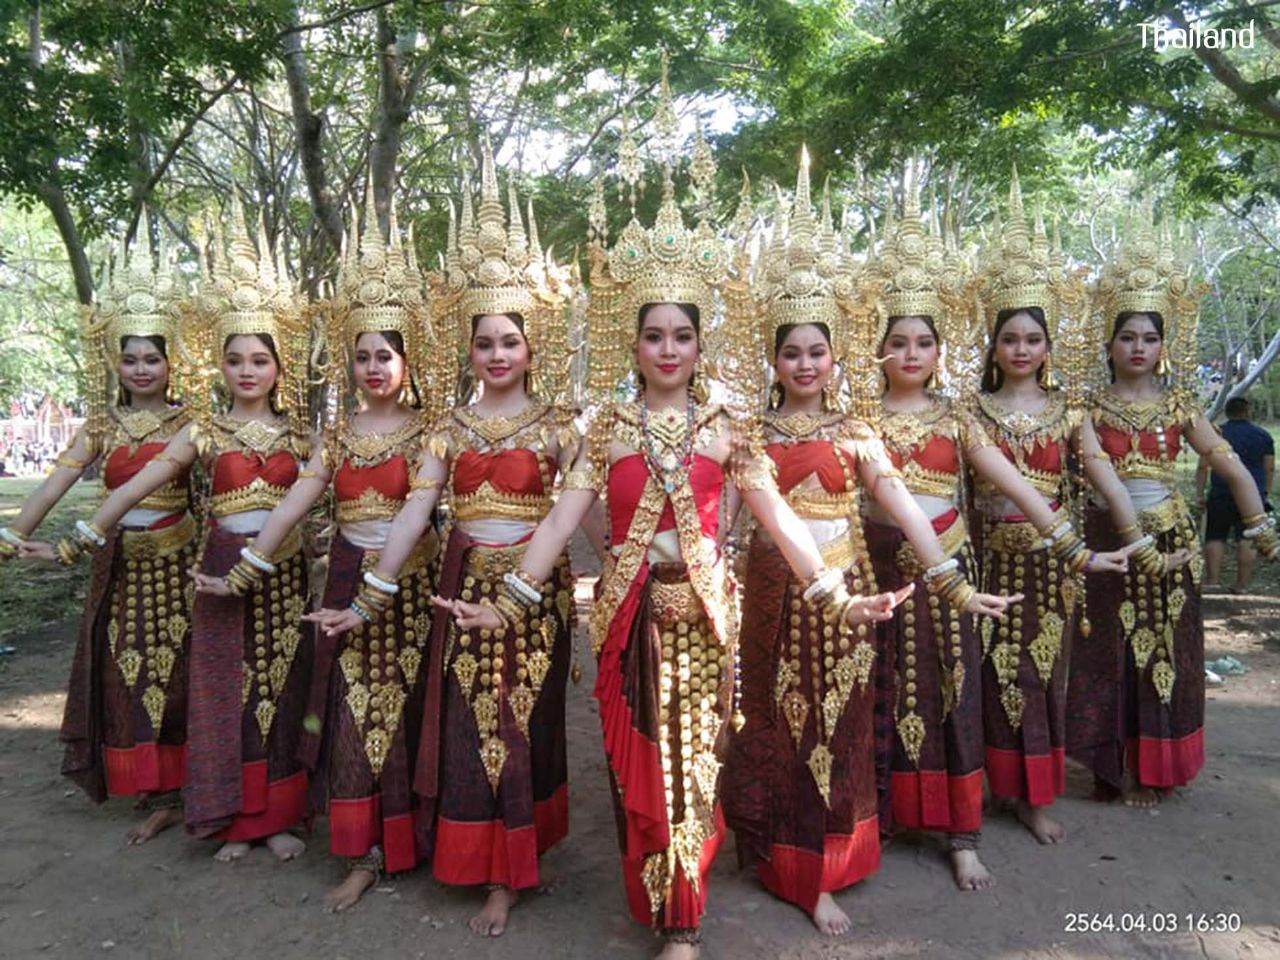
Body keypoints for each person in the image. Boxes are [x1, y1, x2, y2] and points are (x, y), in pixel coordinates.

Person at [717, 151, 1025, 933]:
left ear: (836, 356)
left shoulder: (858, 429)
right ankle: (782, 856)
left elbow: (902, 503)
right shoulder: (749, 432)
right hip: (779, 593)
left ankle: (828, 858)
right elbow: (770, 518)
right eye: (791, 352)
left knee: (844, 722)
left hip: (850, 588)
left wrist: (951, 579)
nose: (806, 364)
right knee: (777, 720)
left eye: (818, 351)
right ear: (773, 360)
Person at [307, 144, 578, 936]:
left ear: (532, 347)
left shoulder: (560, 425)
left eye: (509, 342)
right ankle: (472, 856)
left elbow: (581, 515)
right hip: (458, 587)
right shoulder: (448, 428)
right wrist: (367, 600)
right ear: (466, 350)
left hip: (535, 593)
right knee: (468, 725)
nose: (496, 355)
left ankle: (512, 874)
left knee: (523, 723)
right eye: (483, 343)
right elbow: (414, 512)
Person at [29, 198, 317, 858]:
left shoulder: (303, 435)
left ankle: (279, 818)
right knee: (224, 693)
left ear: (279, 367)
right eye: (235, 360)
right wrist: (78, 537)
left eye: (260, 360)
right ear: (219, 365)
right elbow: (136, 483)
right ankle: (232, 820)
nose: (247, 371)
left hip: (286, 572)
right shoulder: (202, 428)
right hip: (215, 570)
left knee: (281, 685)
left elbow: (326, 498)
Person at [195, 189, 437, 909]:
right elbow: (300, 497)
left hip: (411, 590)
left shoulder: (432, 432)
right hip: (344, 587)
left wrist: (377, 590)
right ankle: (363, 846)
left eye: (384, 354)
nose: (371, 366)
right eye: (361, 354)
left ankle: (413, 839)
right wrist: (250, 564)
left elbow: (421, 514)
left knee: (409, 711)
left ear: (406, 358)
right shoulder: (333, 437)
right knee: (354, 710)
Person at [1068, 205, 1278, 808]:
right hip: (1109, 546)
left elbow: (1229, 464)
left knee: (1164, 648)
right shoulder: (1085, 408)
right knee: (1106, 650)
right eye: (1127, 335)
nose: (1138, 346)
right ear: (1107, 341)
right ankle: (1112, 767)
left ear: (1165, 344)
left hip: (1170, 546)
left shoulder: (1180, 405)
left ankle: (1156, 769)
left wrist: (1262, 527)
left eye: (1150, 337)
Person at [3, 234, 195, 844]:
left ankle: (177, 791)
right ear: (114, 363)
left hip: (176, 565)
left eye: (152, 359)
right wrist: (13, 533)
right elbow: (56, 480)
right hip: (119, 570)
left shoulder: (191, 425)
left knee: (179, 671)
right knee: (122, 670)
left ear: (172, 364)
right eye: (130, 358)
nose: (141, 369)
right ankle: (145, 784)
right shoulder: (101, 426)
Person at [1196, 395, 1274, 592]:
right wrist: (1265, 493)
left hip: (1221, 491)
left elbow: (1203, 466)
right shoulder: (1263, 435)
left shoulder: (1217, 434)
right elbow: (1269, 468)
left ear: (1228, 412)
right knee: (1246, 538)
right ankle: (1241, 585)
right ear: (1247, 412)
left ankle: (1213, 582)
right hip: (1252, 495)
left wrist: (1200, 493)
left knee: (1215, 536)